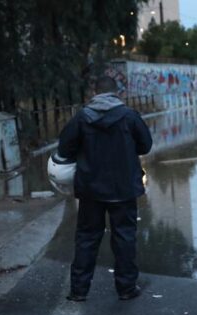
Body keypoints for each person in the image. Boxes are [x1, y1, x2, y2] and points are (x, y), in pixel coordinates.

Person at [58, 76, 153, 302]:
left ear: (95, 92)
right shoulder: (129, 117)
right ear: (117, 93)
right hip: (124, 188)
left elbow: (64, 148)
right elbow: (146, 145)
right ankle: (126, 288)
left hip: (91, 189)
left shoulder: (81, 118)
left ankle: (79, 290)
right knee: (124, 237)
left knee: (87, 237)